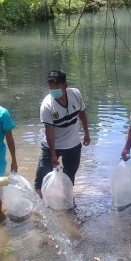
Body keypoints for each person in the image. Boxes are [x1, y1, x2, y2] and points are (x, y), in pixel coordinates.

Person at [34, 70, 90, 198]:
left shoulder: (75, 94)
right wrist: (53, 154)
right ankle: (41, 209)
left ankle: (67, 205)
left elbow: (82, 114)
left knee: (69, 179)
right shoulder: (47, 105)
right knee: (40, 181)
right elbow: (49, 130)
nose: (53, 87)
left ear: (65, 85)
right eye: (50, 84)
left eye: (57, 85)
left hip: (73, 144)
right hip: (50, 146)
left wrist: (87, 133)